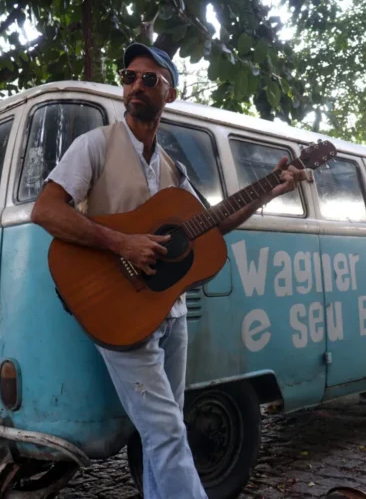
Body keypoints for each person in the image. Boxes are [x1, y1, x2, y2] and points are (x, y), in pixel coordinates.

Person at [30, 43, 310, 499]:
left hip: (170, 312)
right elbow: (45, 211)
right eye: (129, 77)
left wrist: (270, 189)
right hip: (121, 312)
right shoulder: (94, 146)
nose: (135, 86)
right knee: (167, 434)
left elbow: (211, 226)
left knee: (164, 432)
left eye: (149, 79)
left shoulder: (172, 168)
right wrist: (123, 242)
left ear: (171, 94)